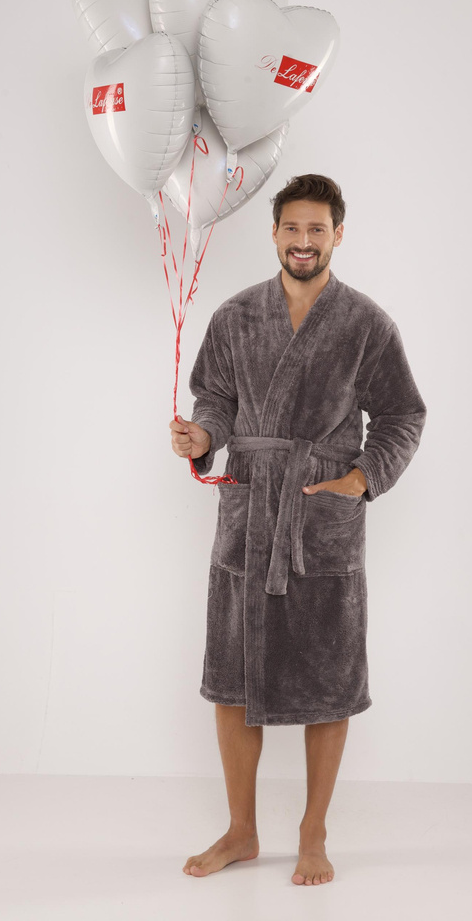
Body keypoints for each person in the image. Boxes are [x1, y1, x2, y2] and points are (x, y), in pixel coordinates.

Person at [169, 173, 427, 886]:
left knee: (329, 676)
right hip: (249, 512)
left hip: (320, 519)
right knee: (233, 677)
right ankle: (241, 830)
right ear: (275, 233)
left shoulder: (366, 323)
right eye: (292, 228)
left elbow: (403, 414)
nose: (303, 241)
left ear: (338, 234)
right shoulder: (235, 316)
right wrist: (203, 437)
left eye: (317, 229)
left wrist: (361, 478)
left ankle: (314, 831)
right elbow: (215, 400)